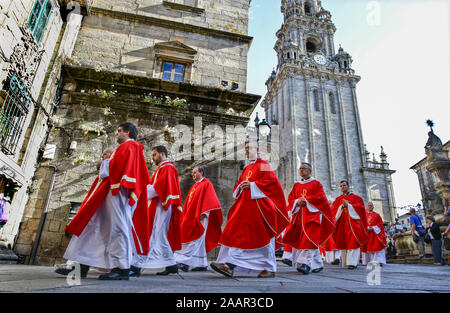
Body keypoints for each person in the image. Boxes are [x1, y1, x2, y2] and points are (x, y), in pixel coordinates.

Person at [63, 123, 151, 280]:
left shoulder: (131, 145)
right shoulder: (126, 147)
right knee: (96, 225)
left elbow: (120, 168)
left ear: (128, 132)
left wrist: (103, 164)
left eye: (119, 131)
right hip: (110, 191)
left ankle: (122, 268)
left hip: (118, 192)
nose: (116, 134)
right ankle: (82, 264)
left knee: (118, 227)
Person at [210, 141, 289, 279]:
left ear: (256, 149)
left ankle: (269, 268)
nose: (246, 151)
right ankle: (228, 265)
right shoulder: (246, 169)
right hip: (244, 209)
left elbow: (271, 183)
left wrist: (252, 185)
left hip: (260, 209)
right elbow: (238, 186)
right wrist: (241, 187)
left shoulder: (264, 164)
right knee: (238, 235)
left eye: (249, 148)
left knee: (263, 238)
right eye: (245, 149)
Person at [55, 147, 114, 277]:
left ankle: (81, 268)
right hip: (96, 210)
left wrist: (104, 163)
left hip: (100, 210)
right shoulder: (103, 173)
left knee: (90, 236)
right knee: (86, 236)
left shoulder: (112, 165)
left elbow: (107, 172)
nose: (103, 156)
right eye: (102, 154)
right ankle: (79, 267)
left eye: (106, 154)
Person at [131, 146, 183, 276]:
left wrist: (138, 190)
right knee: (159, 236)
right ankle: (171, 264)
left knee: (152, 234)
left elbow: (155, 189)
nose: (152, 158)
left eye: (154, 155)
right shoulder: (163, 168)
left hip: (161, 208)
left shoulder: (167, 168)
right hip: (159, 206)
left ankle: (137, 265)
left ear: (162, 154)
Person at [282, 163, 335, 275]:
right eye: (300, 169)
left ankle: (305, 264)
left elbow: (321, 198)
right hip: (299, 217)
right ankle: (317, 264)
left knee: (309, 239)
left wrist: (306, 201)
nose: (301, 171)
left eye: (304, 169)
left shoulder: (316, 184)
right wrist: (297, 202)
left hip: (312, 216)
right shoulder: (297, 185)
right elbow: (291, 198)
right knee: (307, 240)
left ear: (310, 171)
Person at [174, 166, 223, 272]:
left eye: (195, 172)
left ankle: (184, 262)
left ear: (201, 173)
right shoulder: (195, 186)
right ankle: (201, 263)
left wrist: (204, 212)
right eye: (192, 173)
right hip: (191, 216)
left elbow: (211, 200)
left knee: (195, 239)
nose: (193, 174)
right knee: (197, 240)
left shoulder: (206, 184)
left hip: (201, 217)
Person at [331, 180, 368, 270]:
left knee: (353, 242)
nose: (342, 187)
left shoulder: (356, 198)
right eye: (341, 186)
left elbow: (360, 209)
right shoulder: (338, 199)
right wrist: (341, 207)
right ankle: (345, 262)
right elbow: (333, 210)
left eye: (344, 185)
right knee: (344, 242)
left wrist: (349, 205)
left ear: (348, 186)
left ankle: (352, 263)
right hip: (342, 224)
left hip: (353, 224)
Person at [361, 202, 386, 266]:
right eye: (368, 206)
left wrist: (373, 228)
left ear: (373, 207)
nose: (369, 207)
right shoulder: (363, 215)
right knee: (367, 247)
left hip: (375, 234)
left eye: (371, 206)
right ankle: (368, 261)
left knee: (377, 246)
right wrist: (366, 228)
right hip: (367, 234)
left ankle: (378, 261)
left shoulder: (377, 215)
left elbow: (380, 224)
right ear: (366, 207)